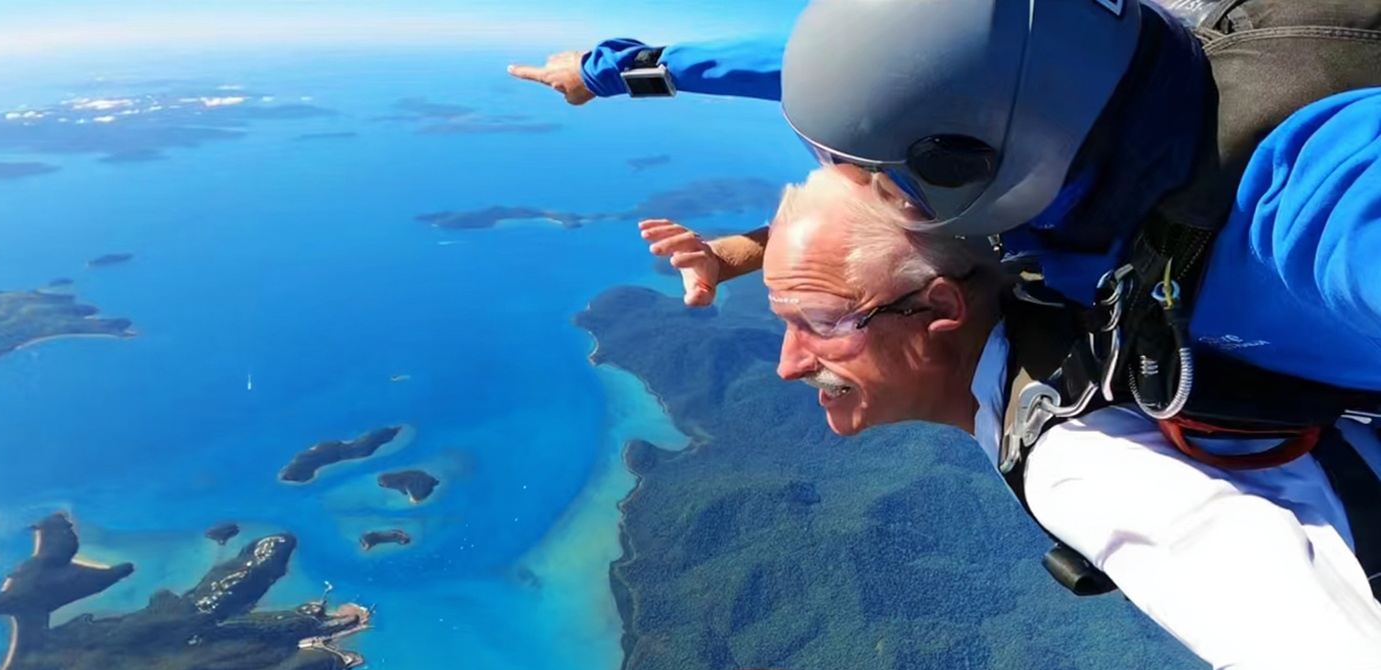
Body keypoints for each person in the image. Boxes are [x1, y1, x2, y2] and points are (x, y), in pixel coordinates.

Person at [690, 164, 1381, 670]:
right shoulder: (1043, 273)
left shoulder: (1083, 466)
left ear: (937, 309)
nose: (788, 363)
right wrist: (741, 255)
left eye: (820, 322)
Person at [509, 0, 1381, 413]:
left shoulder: (1311, 196)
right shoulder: (1030, 99)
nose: (866, 190)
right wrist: (603, 70)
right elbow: (834, 62)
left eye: (886, 181)